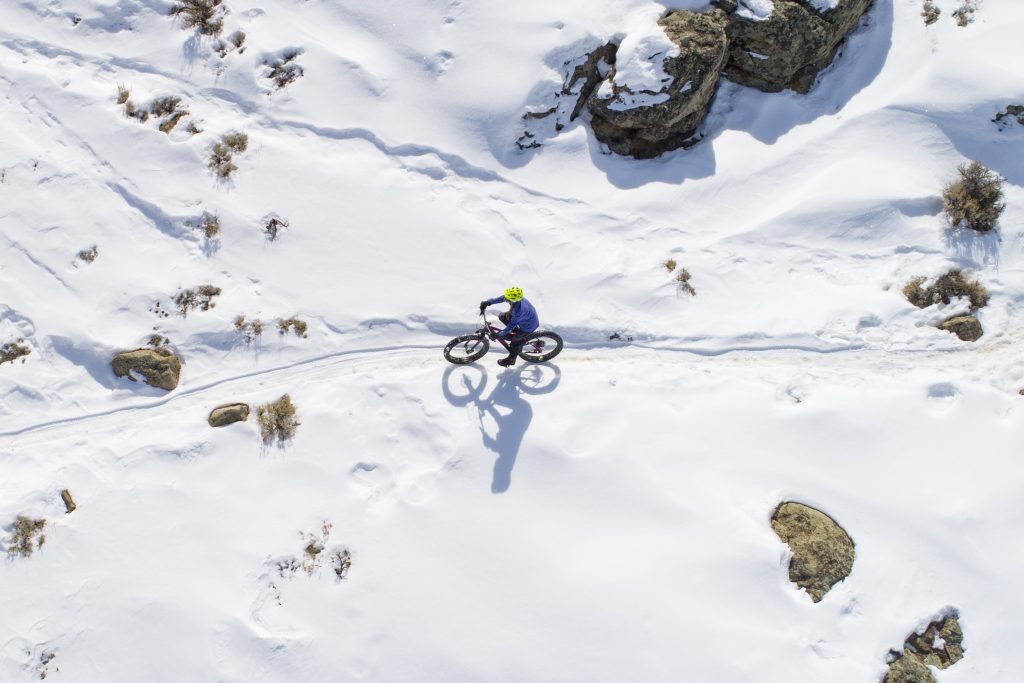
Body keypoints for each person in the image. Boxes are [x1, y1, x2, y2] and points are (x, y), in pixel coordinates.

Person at [479, 287, 539, 367]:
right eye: (506, 296)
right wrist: (487, 302)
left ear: (513, 300)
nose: (505, 298)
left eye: (507, 298)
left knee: (514, 342)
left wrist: (499, 334)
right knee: (502, 316)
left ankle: (511, 359)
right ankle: (515, 333)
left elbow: (511, 325)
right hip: (523, 317)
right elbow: (501, 298)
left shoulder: (519, 311)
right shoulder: (515, 298)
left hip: (528, 326)